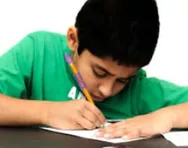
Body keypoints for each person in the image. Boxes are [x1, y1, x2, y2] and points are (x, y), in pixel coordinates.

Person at [0, 0, 188, 140]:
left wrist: (166, 118)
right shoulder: (38, 51)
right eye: (100, 72)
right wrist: (47, 112)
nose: (107, 90)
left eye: (123, 80)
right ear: (73, 39)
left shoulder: (137, 90)